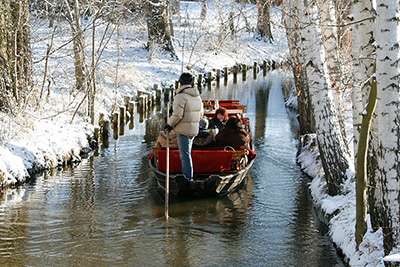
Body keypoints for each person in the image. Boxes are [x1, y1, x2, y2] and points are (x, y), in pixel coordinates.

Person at [164, 72, 203, 181]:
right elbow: (201, 114)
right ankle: (188, 176)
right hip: (193, 130)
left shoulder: (180, 96)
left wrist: (169, 125)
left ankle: (188, 179)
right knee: (187, 153)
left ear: (180, 83)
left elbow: (177, 115)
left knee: (185, 155)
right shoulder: (197, 96)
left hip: (183, 130)